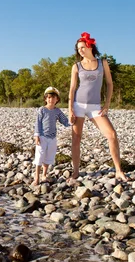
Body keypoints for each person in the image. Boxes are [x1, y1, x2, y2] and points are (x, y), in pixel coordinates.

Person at [68, 32, 128, 183]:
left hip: (96, 107)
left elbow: (109, 84)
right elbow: (72, 89)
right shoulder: (76, 66)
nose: (80, 50)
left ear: (89, 46)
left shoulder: (103, 63)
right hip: (78, 105)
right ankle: (75, 172)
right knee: (76, 139)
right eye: (78, 48)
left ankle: (118, 171)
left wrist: (107, 104)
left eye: (82, 47)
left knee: (112, 135)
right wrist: (70, 109)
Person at [32, 86, 70, 186]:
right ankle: (36, 178)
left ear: (57, 99)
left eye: (53, 97)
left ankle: (44, 174)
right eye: (48, 97)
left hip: (52, 137)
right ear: (45, 99)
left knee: (49, 156)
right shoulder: (42, 110)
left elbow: (65, 121)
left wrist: (72, 121)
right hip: (42, 136)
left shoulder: (58, 111)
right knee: (39, 156)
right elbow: (38, 123)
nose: (51, 99)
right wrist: (37, 135)